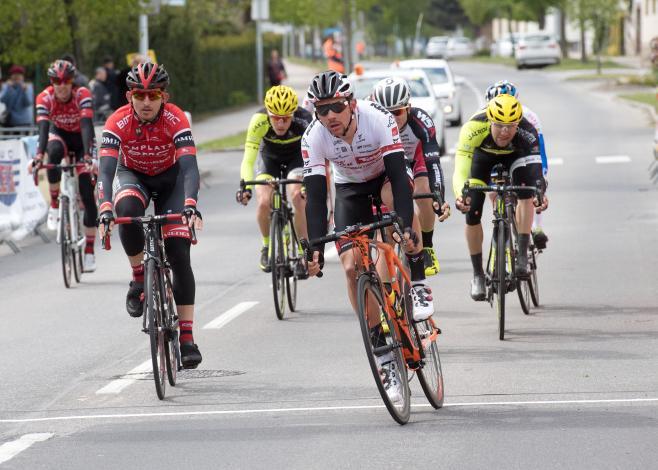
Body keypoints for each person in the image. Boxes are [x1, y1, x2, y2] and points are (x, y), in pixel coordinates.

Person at [303, 71, 435, 403]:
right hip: (349, 190)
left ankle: (417, 281)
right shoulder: (313, 137)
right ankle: (382, 353)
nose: (329, 116)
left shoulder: (377, 120)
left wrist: (404, 224)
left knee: (396, 199)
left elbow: (396, 172)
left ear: (351, 104)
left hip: (384, 178)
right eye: (322, 110)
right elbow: (317, 196)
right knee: (350, 268)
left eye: (335, 107)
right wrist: (315, 246)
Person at [97, 62, 203, 369]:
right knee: (125, 210)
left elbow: (189, 169)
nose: (146, 101)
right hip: (133, 175)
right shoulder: (117, 121)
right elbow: (105, 172)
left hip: (171, 180)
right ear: (130, 95)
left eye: (153, 95)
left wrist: (190, 203)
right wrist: (104, 206)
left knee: (179, 253)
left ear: (163, 96)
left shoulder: (176, 118)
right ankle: (138, 277)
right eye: (139, 94)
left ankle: (186, 337)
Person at [453, 94, 548, 301]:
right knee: (472, 210)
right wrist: (461, 194)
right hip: (483, 158)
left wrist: (540, 192)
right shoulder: (473, 128)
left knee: (526, 192)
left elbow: (536, 172)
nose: (505, 131)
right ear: (490, 120)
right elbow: (461, 170)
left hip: (517, 156)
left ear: (517, 124)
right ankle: (478, 274)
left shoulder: (527, 132)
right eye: (499, 125)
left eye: (510, 126)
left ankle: (522, 255)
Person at [371, 77, 451, 276]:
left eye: (397, 112)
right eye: (386, 113)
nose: (392, 118)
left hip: (415, 159)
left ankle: (427, 246)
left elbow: (433, 162)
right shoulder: (371, 122)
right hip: (386, 163)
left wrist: (438, 195)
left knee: (423, 191)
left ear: (408, 108)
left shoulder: (421, 122)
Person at [28, 59, 97, 271]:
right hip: (60, 136)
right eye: (56, 80)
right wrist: (39, 156)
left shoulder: (82, 94)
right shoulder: (45, 97)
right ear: (52, 82)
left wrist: (87, 156)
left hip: (82, 138)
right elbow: (42, 128)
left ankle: (89, 251)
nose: (62, 85)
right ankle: (56, 205)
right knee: (54, 153)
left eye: (66, 80)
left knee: (87, 191)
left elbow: (86, 126)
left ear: (72, 81)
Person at [236, 85, 312, 273]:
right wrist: (245, 187)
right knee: (263, 202)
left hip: (297, 159)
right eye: (275, 118)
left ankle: (303, 252)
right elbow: (248, 159)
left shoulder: (304, 120)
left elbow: (314, 155)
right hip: (269, 159)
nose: (280, 123)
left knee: (297, 198)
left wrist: (309, 184)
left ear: (293, 114)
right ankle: (267, 245)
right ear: (268, 114)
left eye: (285, 118)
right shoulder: (258, 120)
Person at [485, 80, 549, 249]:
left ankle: (534, 227)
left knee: (529, 192)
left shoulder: (530, 117)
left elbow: (538, 149)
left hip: (523, 153)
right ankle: (501, 219)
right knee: (493, 191)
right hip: (497, 156)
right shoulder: (483, 116)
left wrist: (540, 178)